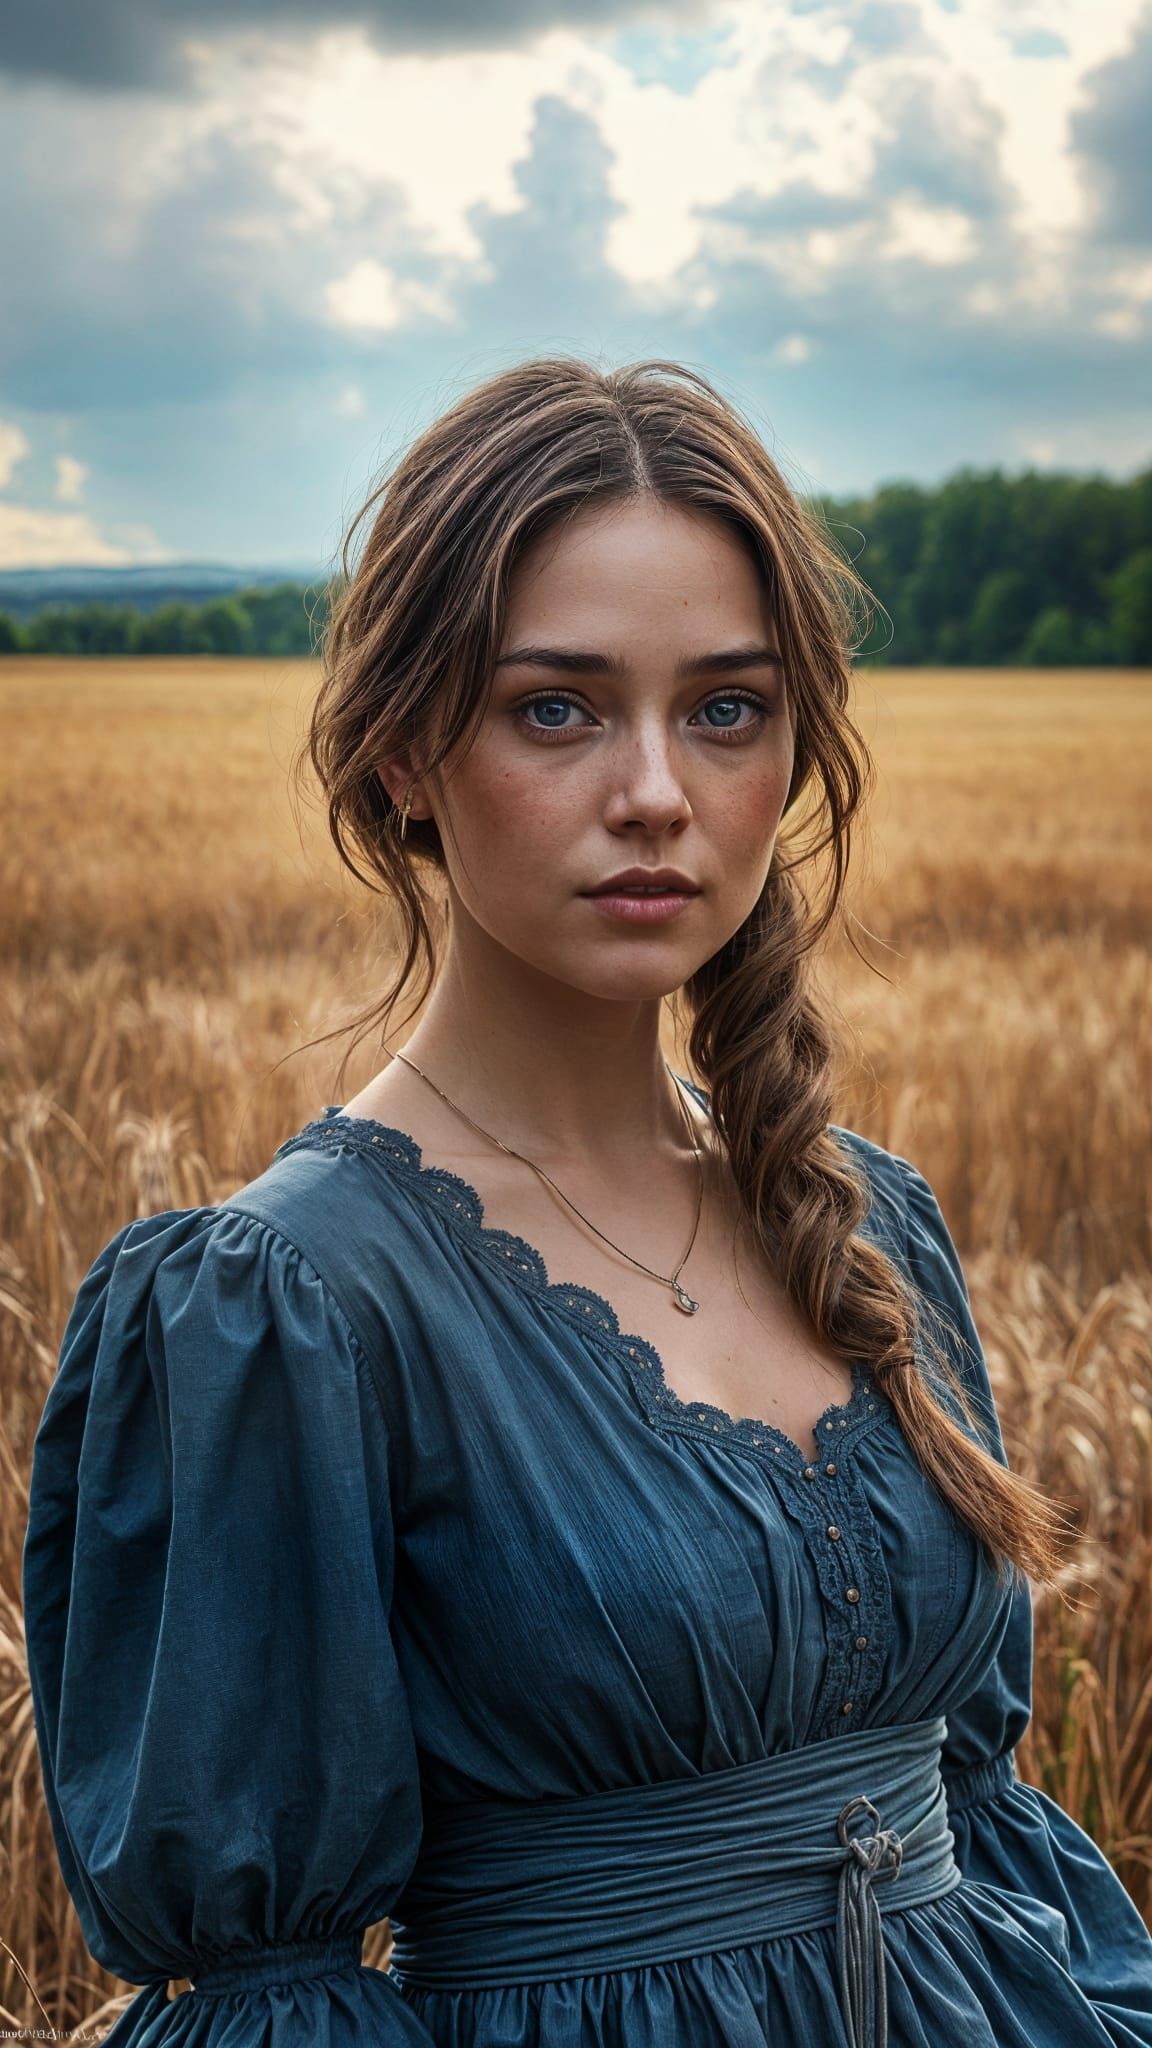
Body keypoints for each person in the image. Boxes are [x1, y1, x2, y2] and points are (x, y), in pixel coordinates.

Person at [22, 356, 1152, 2048]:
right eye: (556, 707)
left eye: (726, 708)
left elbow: (984, 1832)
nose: (657, 792)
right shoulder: (281, 1309)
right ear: (406, 750)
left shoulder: (872, 1225)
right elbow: (271, 1989)